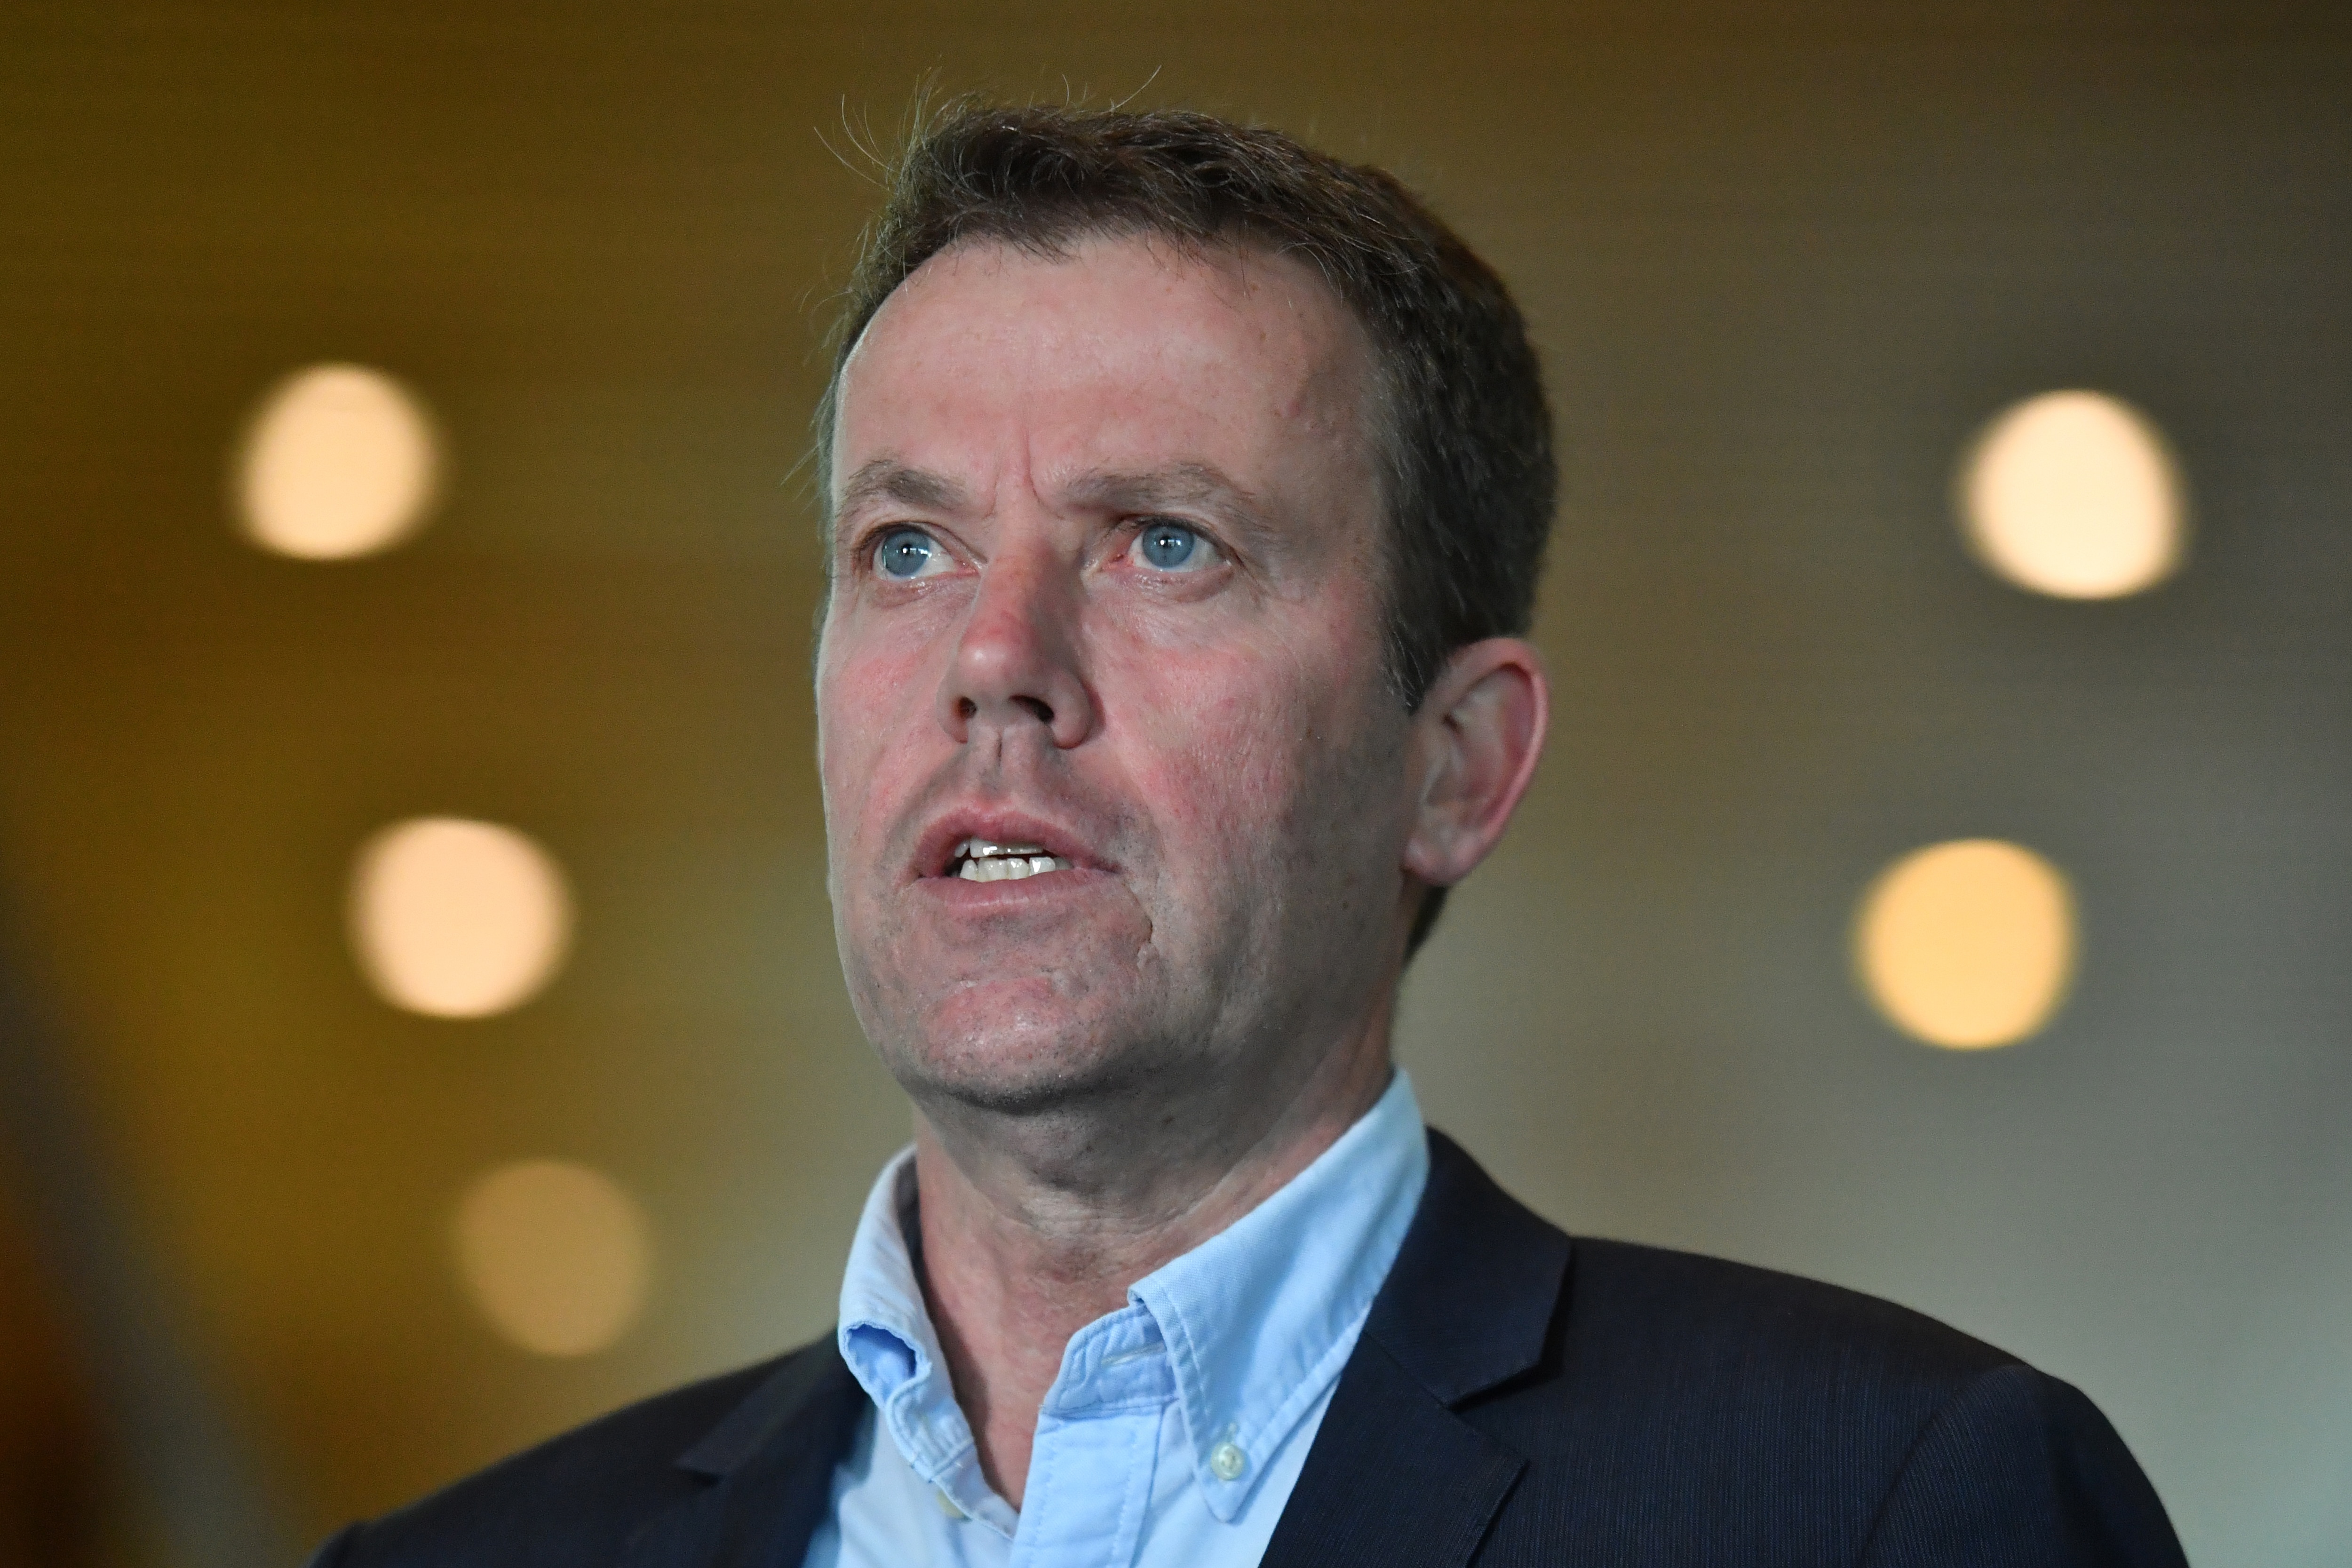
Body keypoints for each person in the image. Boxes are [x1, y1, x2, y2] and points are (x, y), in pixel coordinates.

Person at [305, 101, 2188, 1568]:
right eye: (909, 546)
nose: (995, 660)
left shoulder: (1882, 1508)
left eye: (1163, 543)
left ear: (1454, 765)